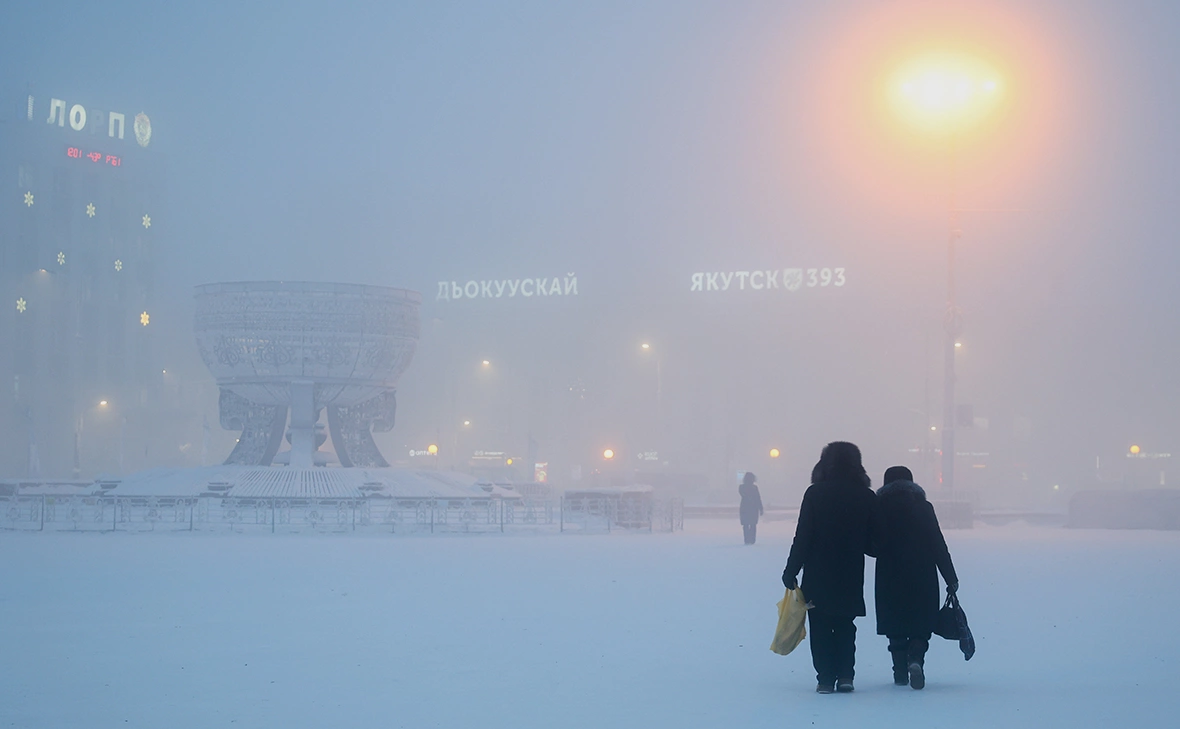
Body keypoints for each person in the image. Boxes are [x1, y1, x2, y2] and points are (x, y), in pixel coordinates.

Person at [781, 442, 876, 694]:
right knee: (845, 625)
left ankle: (825, 678)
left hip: (818, 572)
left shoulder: (815, 494)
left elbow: (803, 537)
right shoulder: (866, 497)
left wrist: (791, 570)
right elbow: (874, 544)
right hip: (851, 572)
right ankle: (846, 676)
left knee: (820, 625)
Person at [872, 466, 959, 690]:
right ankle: (916, 659)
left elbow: (870, 544)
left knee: (895, 625)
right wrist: (950, 577)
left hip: (889, 574)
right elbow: (937, 543)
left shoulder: (878, 507)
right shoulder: (923, 507)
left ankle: (900, 673)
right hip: (923, 573)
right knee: (921, 624)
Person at [738, 472, 764, 544]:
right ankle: (752, 540)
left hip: (745, 508)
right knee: (753, 525)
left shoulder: (741, 487)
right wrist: (761, 508)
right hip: (753, 508)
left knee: (746, 526)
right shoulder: (754, 488)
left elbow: (744, 495)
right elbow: (758, 498)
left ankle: (747, 540)